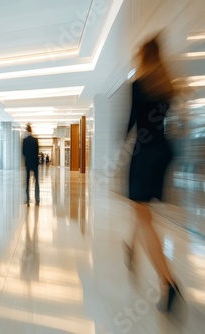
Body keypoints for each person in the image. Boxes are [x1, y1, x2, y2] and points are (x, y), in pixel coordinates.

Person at [124, 36, 181, 312]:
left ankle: (168, 282)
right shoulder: (167, 85)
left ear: (142, 57)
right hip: (163, 152)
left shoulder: (138, 85)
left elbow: (132, 122)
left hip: (144, 153)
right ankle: (131, 246)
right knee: (142, 210)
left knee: (143, 217)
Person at [22, 123, 39, 205]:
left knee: (27, 181)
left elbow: (23, 152)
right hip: (35, 162)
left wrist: (27, 157)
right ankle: (37, 199)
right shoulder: (35, 140)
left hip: (28, 162)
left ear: (26, 130)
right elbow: (37, 151)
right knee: (36, 181)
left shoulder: (25, 141)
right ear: (31, 131)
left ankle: (28, 200)